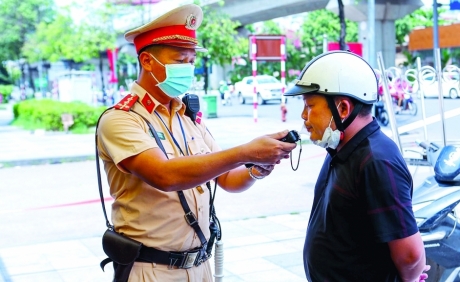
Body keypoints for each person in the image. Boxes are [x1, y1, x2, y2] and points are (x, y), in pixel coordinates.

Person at [96, 4, 296, 282]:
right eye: (180, 60)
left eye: (191, 61)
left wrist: (255, 167)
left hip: (200, 265)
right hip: (152, 270)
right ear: (147, 62)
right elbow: (165, 175)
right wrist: (244, 151)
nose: (188, 69)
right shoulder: (121, 120)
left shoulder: (187, 116)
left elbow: (226, 178)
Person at [284, 51, 430, 282]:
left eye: (310, 105)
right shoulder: (341, 148)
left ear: (343, 109)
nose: (303, 116)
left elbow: (411, 256)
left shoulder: (377, 161)